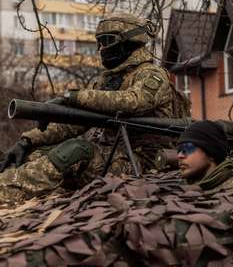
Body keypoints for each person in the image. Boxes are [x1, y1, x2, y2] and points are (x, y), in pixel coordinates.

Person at [0, 12, 184, 204]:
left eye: (107, 41)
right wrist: (27, 141)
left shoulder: (152, 74)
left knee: (76, 150)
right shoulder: (110, 80)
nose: (102, 48)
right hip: (112, 157)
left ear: (130, 41)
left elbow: (134, 101)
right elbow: (76, 123)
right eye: (100, 43)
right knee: (34, 154)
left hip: (144, 162)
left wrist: (72, 97)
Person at [176, 120, 233, 191]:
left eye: (188, 148)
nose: (180, 155)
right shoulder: (181, 188)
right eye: (179, 150)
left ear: (211, 153)